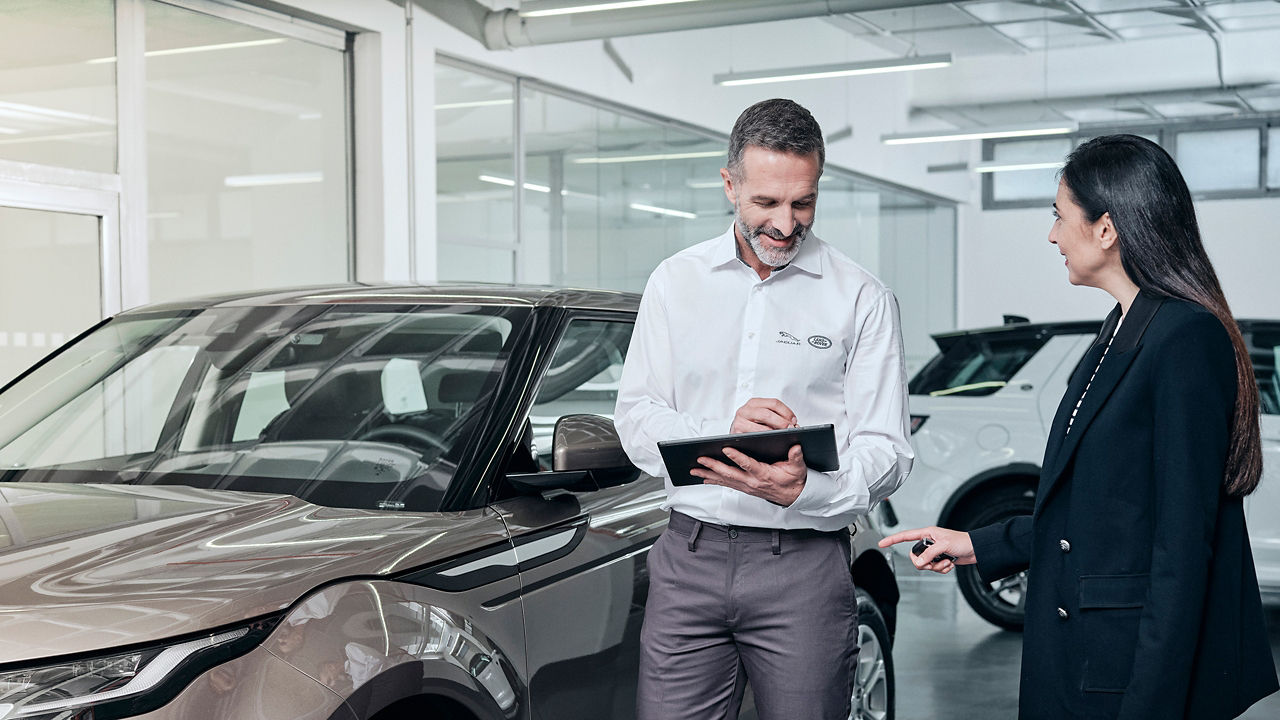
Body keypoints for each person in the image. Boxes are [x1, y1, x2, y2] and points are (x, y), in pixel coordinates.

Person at [880, 134, 1280, 720]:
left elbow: (1182, 551)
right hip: (1082, 651)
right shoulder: (1118, 331)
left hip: (1129, 671)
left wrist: (1150, 706)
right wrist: (975, 545)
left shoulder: (1184, 339)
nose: (1051, 235)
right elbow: (1092, 514)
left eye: (1059, 217)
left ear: (1106, 228)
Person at [614, 98, 914, 720]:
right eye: (766, 203)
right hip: (687, 558)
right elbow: (637, 417)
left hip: (803, 566)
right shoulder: (675, 281)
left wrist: (805, 490)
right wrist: (721, 432)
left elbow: (887, 448)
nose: (785, 223)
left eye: (802, 202)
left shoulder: (861, 297)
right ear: (730, 185)